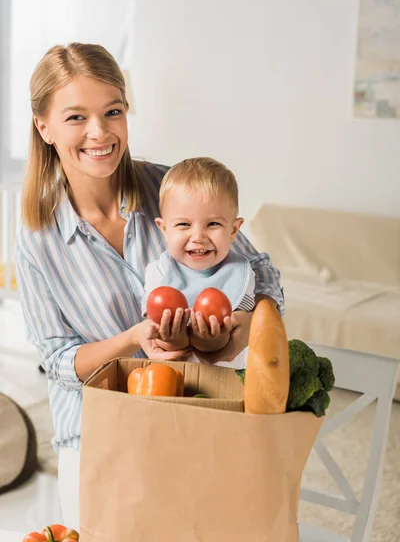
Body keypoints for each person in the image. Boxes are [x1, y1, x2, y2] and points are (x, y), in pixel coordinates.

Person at [15, 42, 284, 530]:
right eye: (76, 117)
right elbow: (57, 360)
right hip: (99, 438)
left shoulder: (174, 189)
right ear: (44, 126)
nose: (100, 133)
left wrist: (228, 339)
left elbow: (264, 279)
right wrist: (134, 341)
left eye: (112, 112)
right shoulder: (37, 237)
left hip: (200, 416)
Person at [141, 157, 259, 368]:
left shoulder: (240, 273)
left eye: (212, 224)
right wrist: (171, 338)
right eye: (184, 224)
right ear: (164, 229)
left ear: (233, 230)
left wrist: (212, 339)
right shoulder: (158, 273)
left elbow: (237, 333)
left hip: (225, 383)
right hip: (171, 382)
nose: (198, 236)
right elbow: (156, 335)